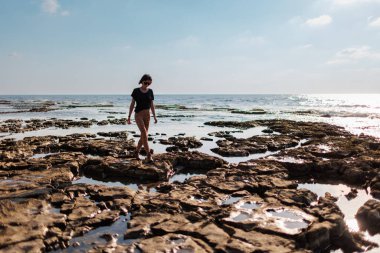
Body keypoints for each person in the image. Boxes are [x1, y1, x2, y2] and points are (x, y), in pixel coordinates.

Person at [127, 74, 157, 162]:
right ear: (142, 81)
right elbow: (132, 104)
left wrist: (154, 116)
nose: (147, 85)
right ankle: (148, 155)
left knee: (144, 135)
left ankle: (136, 152)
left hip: (147, 115)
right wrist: (129, 116)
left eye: (149, 83)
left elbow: (152, 104)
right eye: (146, 82)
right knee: (144, 132)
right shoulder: (136, 91)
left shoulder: (150, 91)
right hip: (138, 115)